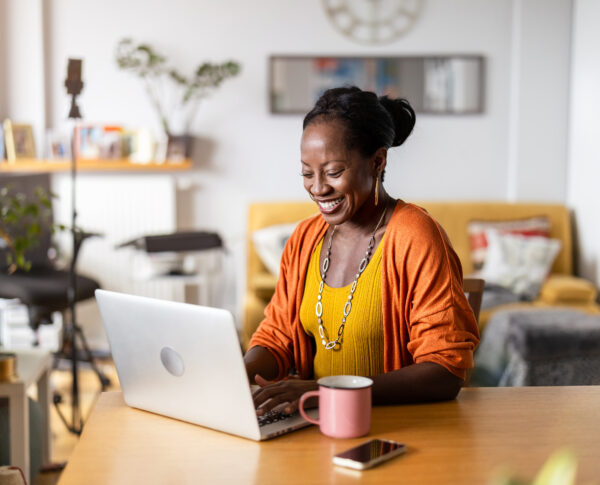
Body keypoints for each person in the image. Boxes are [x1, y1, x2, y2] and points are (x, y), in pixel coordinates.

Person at [244, 86, 480, 415]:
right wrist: (237, 375)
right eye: (307, 173)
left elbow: (445, 371)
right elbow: (276, 338)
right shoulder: (304, 238)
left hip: (397, 428)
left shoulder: (416, 237)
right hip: (317, 424)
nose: (318, 188)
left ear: (377, 162)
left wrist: (326, 393)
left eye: (334, 172)